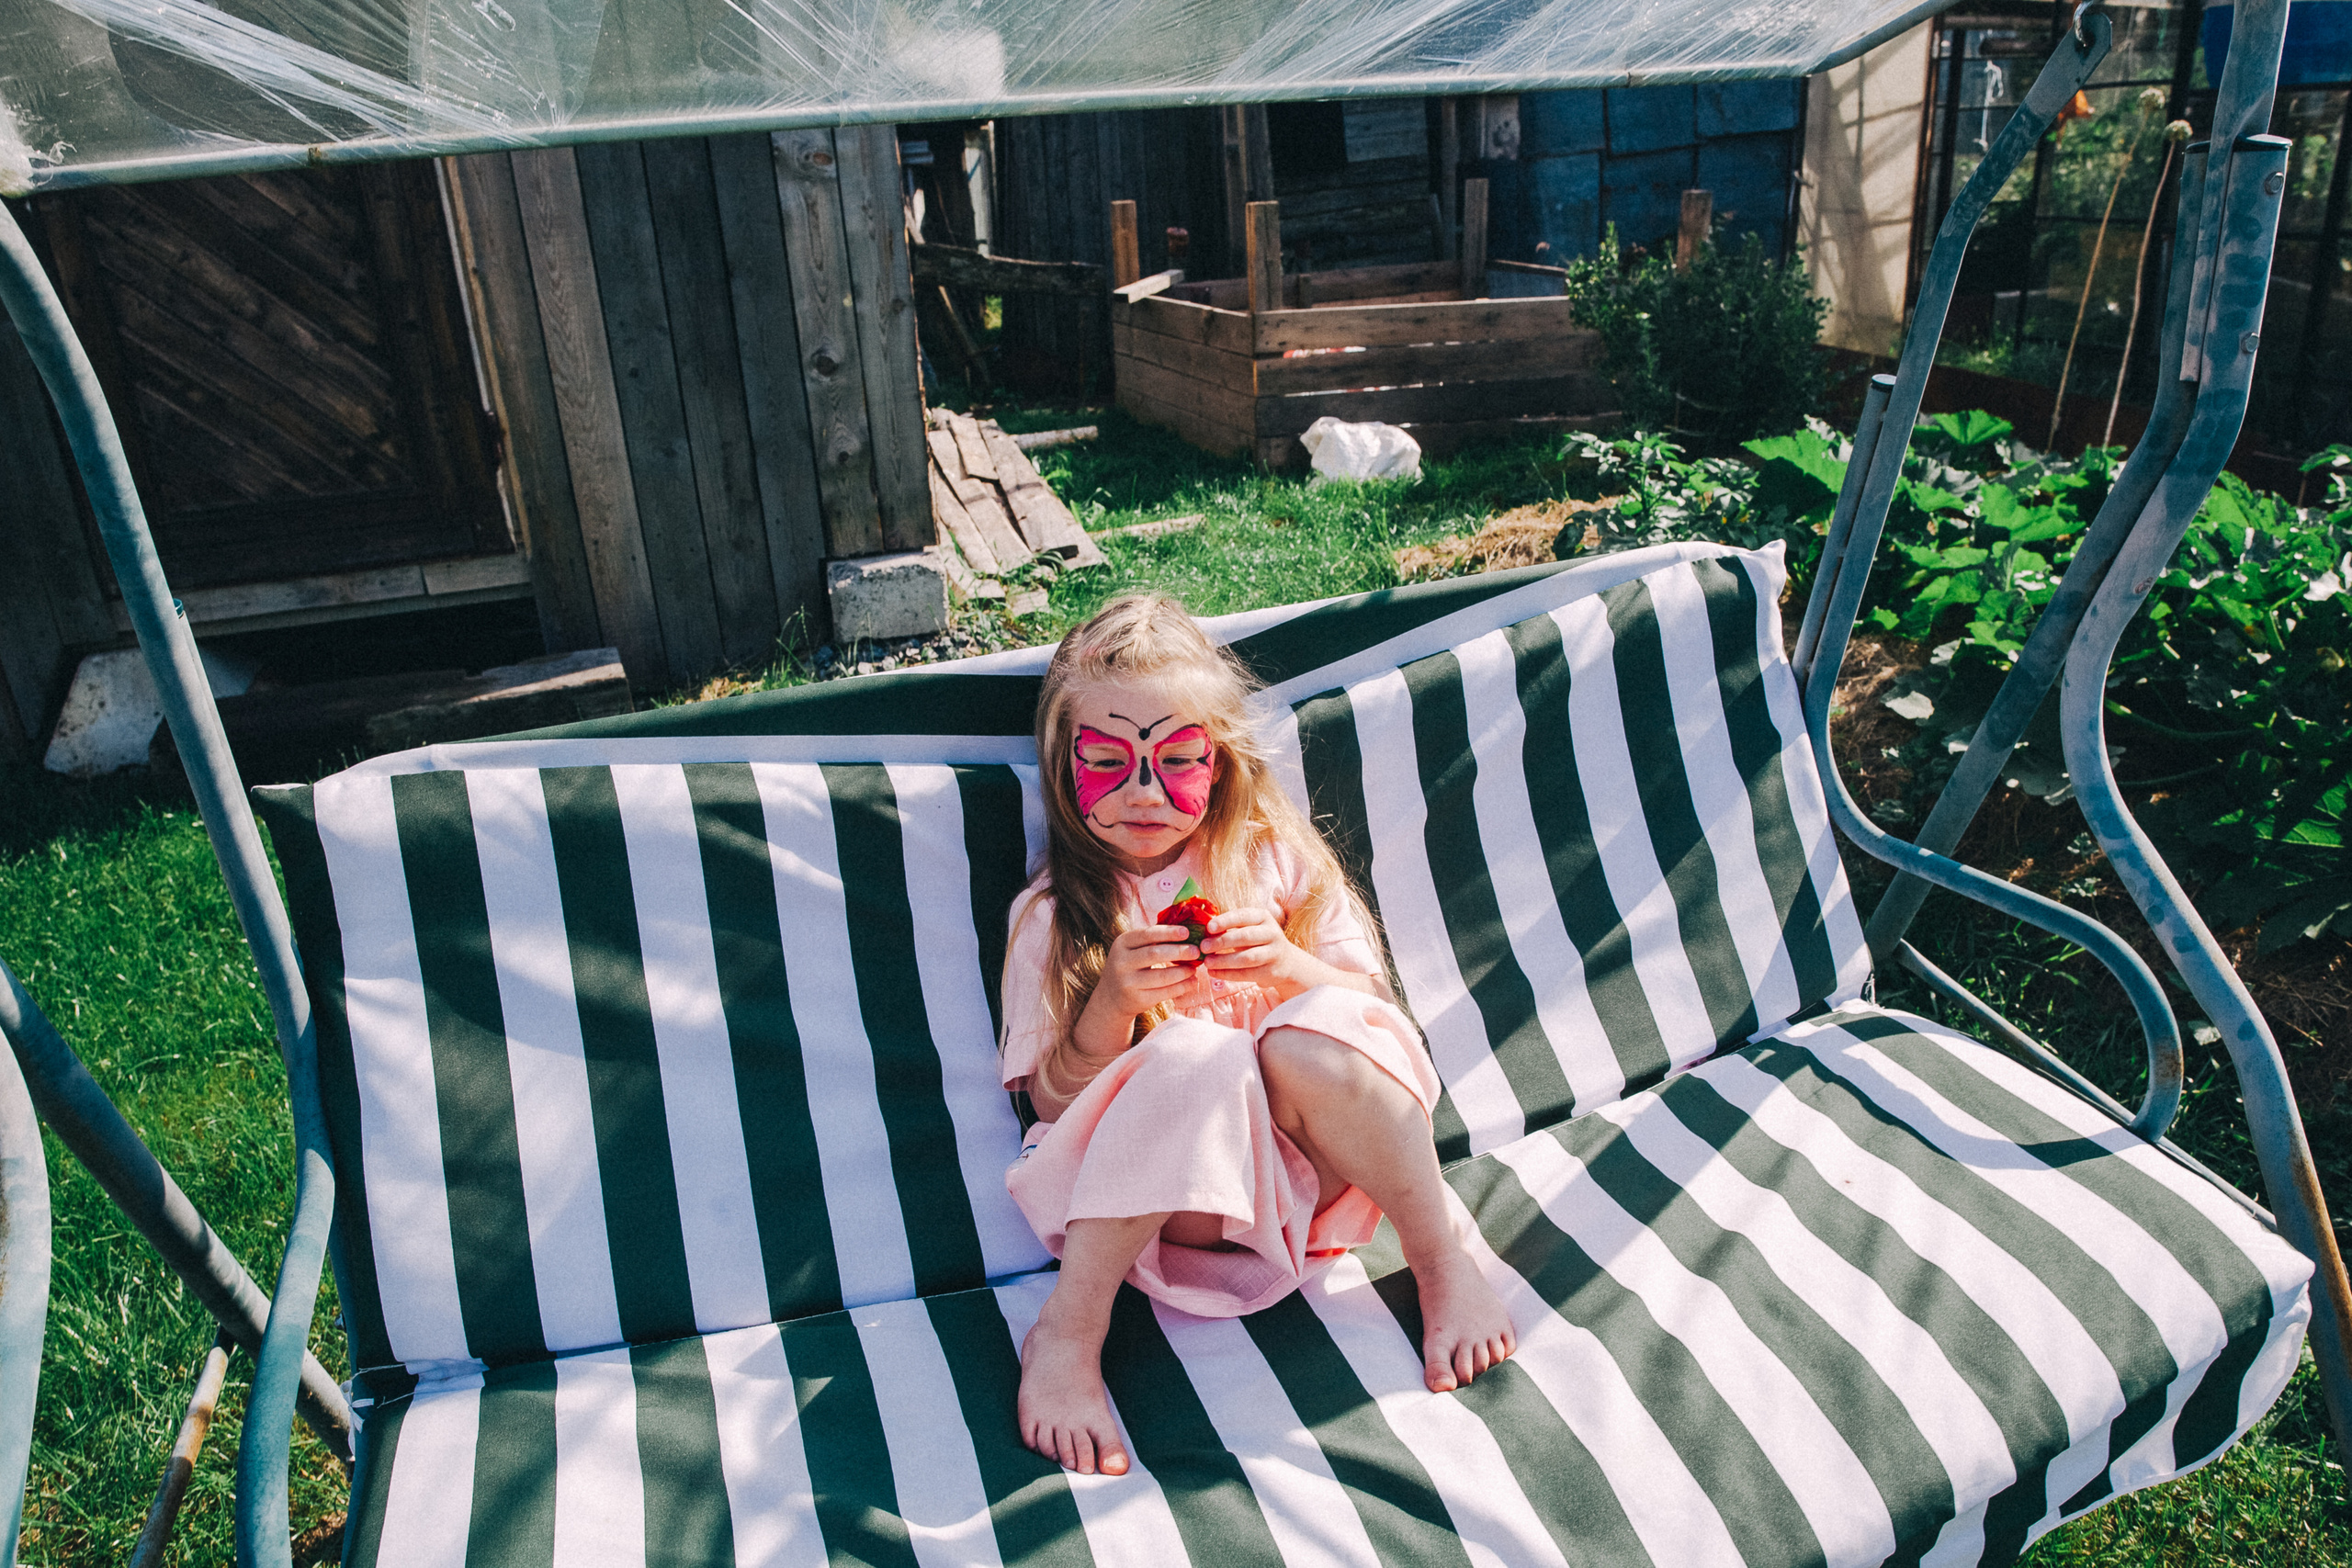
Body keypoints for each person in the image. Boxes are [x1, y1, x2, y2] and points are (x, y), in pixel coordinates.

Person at [1001, 594, 1517, 1477]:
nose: (1143, 791)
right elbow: (1043, 1102)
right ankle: (1068, 1330)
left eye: (1177, 760)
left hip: (1308, 1185)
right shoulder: (1058, 916)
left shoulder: (1273, 860)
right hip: (1172, 1212)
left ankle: (1439, 1256)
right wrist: (1110, 1006)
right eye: (1108, 762)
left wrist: (1287, 966)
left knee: (1315, 1031)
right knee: (1194, 1053)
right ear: (1063, 765)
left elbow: (1377, 1021)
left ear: (1220, 758)